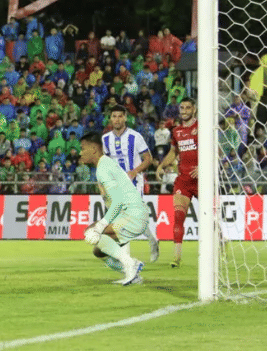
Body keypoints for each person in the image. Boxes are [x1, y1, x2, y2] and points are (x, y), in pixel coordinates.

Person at [80, 132, 146, 286]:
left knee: (91, 232)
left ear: (94, 149)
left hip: (132, 215)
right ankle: (131, 271)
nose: (80, 152)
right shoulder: (104, 165)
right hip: (130, 214)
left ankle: (131, 264)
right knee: (98, 250)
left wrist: (102, 225)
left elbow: (117, 202)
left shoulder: (103, 168)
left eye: (83, 148)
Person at [101, 105, 160, 262]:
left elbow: (148, 159)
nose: (117, 119)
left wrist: (134, 171)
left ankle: (150, 243)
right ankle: (126, 257)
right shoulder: (105, 139)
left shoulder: (135, 136)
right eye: (114, 116)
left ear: (125, 117)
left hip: (134, 182)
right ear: (110, 118)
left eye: (120, 116)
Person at [155, 97, 198, 268]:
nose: (185, 110)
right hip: (184, 180)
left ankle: (221, 242)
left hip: (202, 180)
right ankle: (176, 257)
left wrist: (202, 167)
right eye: (182, 108)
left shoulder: (201, 128)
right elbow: (174, 152)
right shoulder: (177, 131)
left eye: (188, 107)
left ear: (194, 109)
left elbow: (214, 150)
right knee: (178, 217)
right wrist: (162, 165)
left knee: (212, 217)